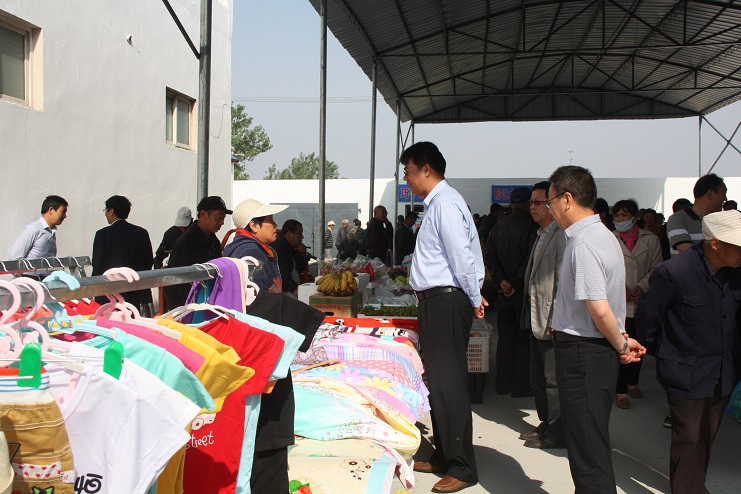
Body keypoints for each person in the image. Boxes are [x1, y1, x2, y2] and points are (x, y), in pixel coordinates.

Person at [547, 165, 645, 493]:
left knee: (587, 446)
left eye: (550, 202)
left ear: (567, 199)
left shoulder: (584, 243)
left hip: (584, 354)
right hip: (592, 349)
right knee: (590, 440)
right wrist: (621, 339)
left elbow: (599, 309)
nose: (550, 209)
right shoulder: (602, 235)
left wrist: (621, 345)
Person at [635, 210, 741, 494]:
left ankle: (694, 484)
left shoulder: (735, 273)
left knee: (707, 434)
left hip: (723, 371)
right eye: (738, 245)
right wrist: (668, 355)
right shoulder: (675, 272)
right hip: (685, 372)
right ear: (715, 243)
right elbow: (647, 320)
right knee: (689, 436)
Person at [401, 141, 487, 493]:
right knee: (438, 383)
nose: (406, 179)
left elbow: (462, 257)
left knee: (449, 384)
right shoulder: (438, 204)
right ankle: (444, 455)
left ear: (426, 169)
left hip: (446, 301)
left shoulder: (446, 203)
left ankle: (463, 467)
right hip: (436, 301)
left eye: (408, 172)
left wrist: (473, 296)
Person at [519, 181, 567, 449]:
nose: (532, 207)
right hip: (535, 316)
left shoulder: (561, 236)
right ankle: (546, 423)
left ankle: (557, 432)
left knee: (552, 380)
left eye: (538, 202)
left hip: (550, 319)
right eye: (531, 202)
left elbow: (562, 282)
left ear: (551, 205)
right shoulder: (541, 233)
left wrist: (555, 318)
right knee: (537, 376)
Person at [484, 186, 538, 397]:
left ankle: (502, 384)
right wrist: (514, 283)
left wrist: (502, 281)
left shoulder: (499, 226)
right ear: (528, 204)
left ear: (511, 204)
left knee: (505, 339)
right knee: (523, 340)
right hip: (523, 294)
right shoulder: (533, 227)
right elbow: (530, 260)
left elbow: (489, 256)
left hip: (503, 293)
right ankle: (520, 386)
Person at [611, 199, 663, 410]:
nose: (620, 219)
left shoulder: (651, 239)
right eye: (617, 215)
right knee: (620, 344)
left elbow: (657, 268)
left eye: (624, 215)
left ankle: (632, 383)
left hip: (641, 300)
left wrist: (642, 287)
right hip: (618, 300)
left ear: (634, 218)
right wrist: (620, 288)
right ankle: (620, 390)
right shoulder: (610, 238)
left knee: (639, 343)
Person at [163, 196, 231, 311]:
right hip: (190, 308)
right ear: (203, 214)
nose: (222, 222)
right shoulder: (186, 242)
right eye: (219, 217)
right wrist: (181, 312)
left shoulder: (213, 241)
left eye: (223, 218)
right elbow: (175, 282)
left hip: (209, 304)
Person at [91, 195, 154, 310]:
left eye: (106, 210)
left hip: (110, 294)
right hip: (136, 291)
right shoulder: (141, 233)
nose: (105, 214)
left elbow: (98, 265)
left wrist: (96, 289)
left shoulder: (103, 235)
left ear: (111, 211)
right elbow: (148, 261)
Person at [223, 198, 288, 292]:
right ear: (254, 226)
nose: (275, 225)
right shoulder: (252, 252)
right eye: (270, 221)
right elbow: (256, 295)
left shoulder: (242, 248)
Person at [666, 173, 727, 256]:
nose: (725, 199)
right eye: (724, 193)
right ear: (710, 193)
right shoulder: (678, 219)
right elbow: (690, 254)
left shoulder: (719, 221)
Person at [8, 195, 69, 276]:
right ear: (51, 210)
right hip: (31, 279)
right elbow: (14, 258)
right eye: (63, 211)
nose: (65, 216)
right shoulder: (33, 229)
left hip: (46, 279)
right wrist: (22, 279)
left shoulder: (51, 232)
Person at [271, 219, 311, 296]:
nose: (302, 237)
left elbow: (297, 268)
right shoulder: (281, 248)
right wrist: (294, 289)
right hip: (285, 292)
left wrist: (303, 255)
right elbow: (282, 273)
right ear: (289, 234)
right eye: (299, 233)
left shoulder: (288, 247)